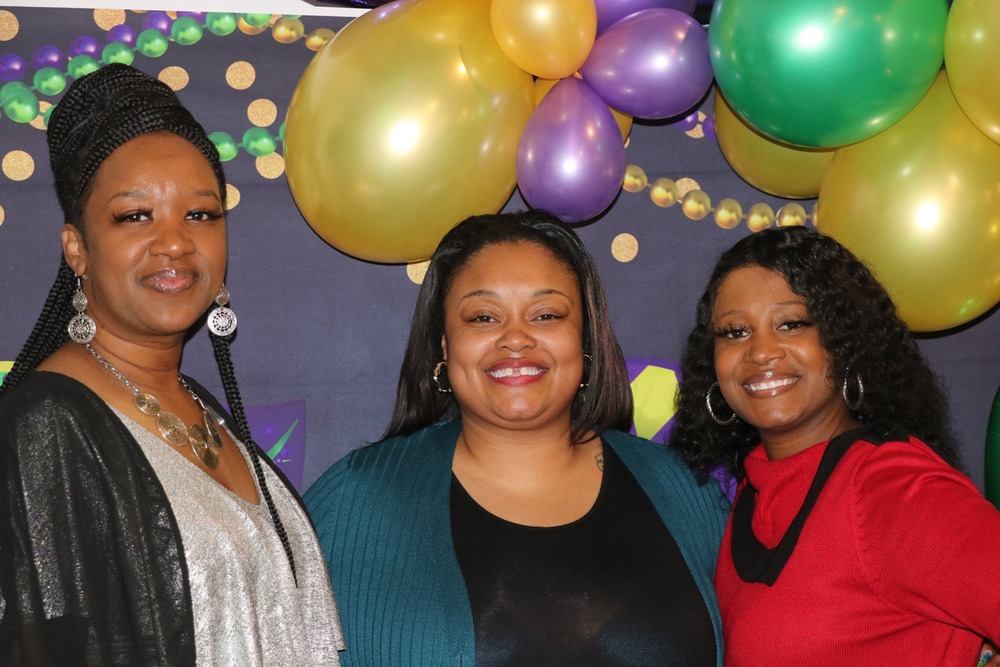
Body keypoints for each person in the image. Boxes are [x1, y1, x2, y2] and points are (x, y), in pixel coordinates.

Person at [0, 64, 343, 665]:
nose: (176, 242)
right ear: (77, 248)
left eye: (201, 215)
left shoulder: (203, 408)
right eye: (136, 216)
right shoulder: (46, 426)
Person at [305, 210, 729, 666]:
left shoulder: (686, 493)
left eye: (546, 315)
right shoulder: (354, 502)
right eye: (484, 317)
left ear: (584, 340)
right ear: (445, 347)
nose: (515, 338)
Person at [669, 225, 1000, 665]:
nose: (761, 351)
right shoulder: (754, 494)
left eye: (792, 324)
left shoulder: (890, 488)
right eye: (734, 332)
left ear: (844, 342)